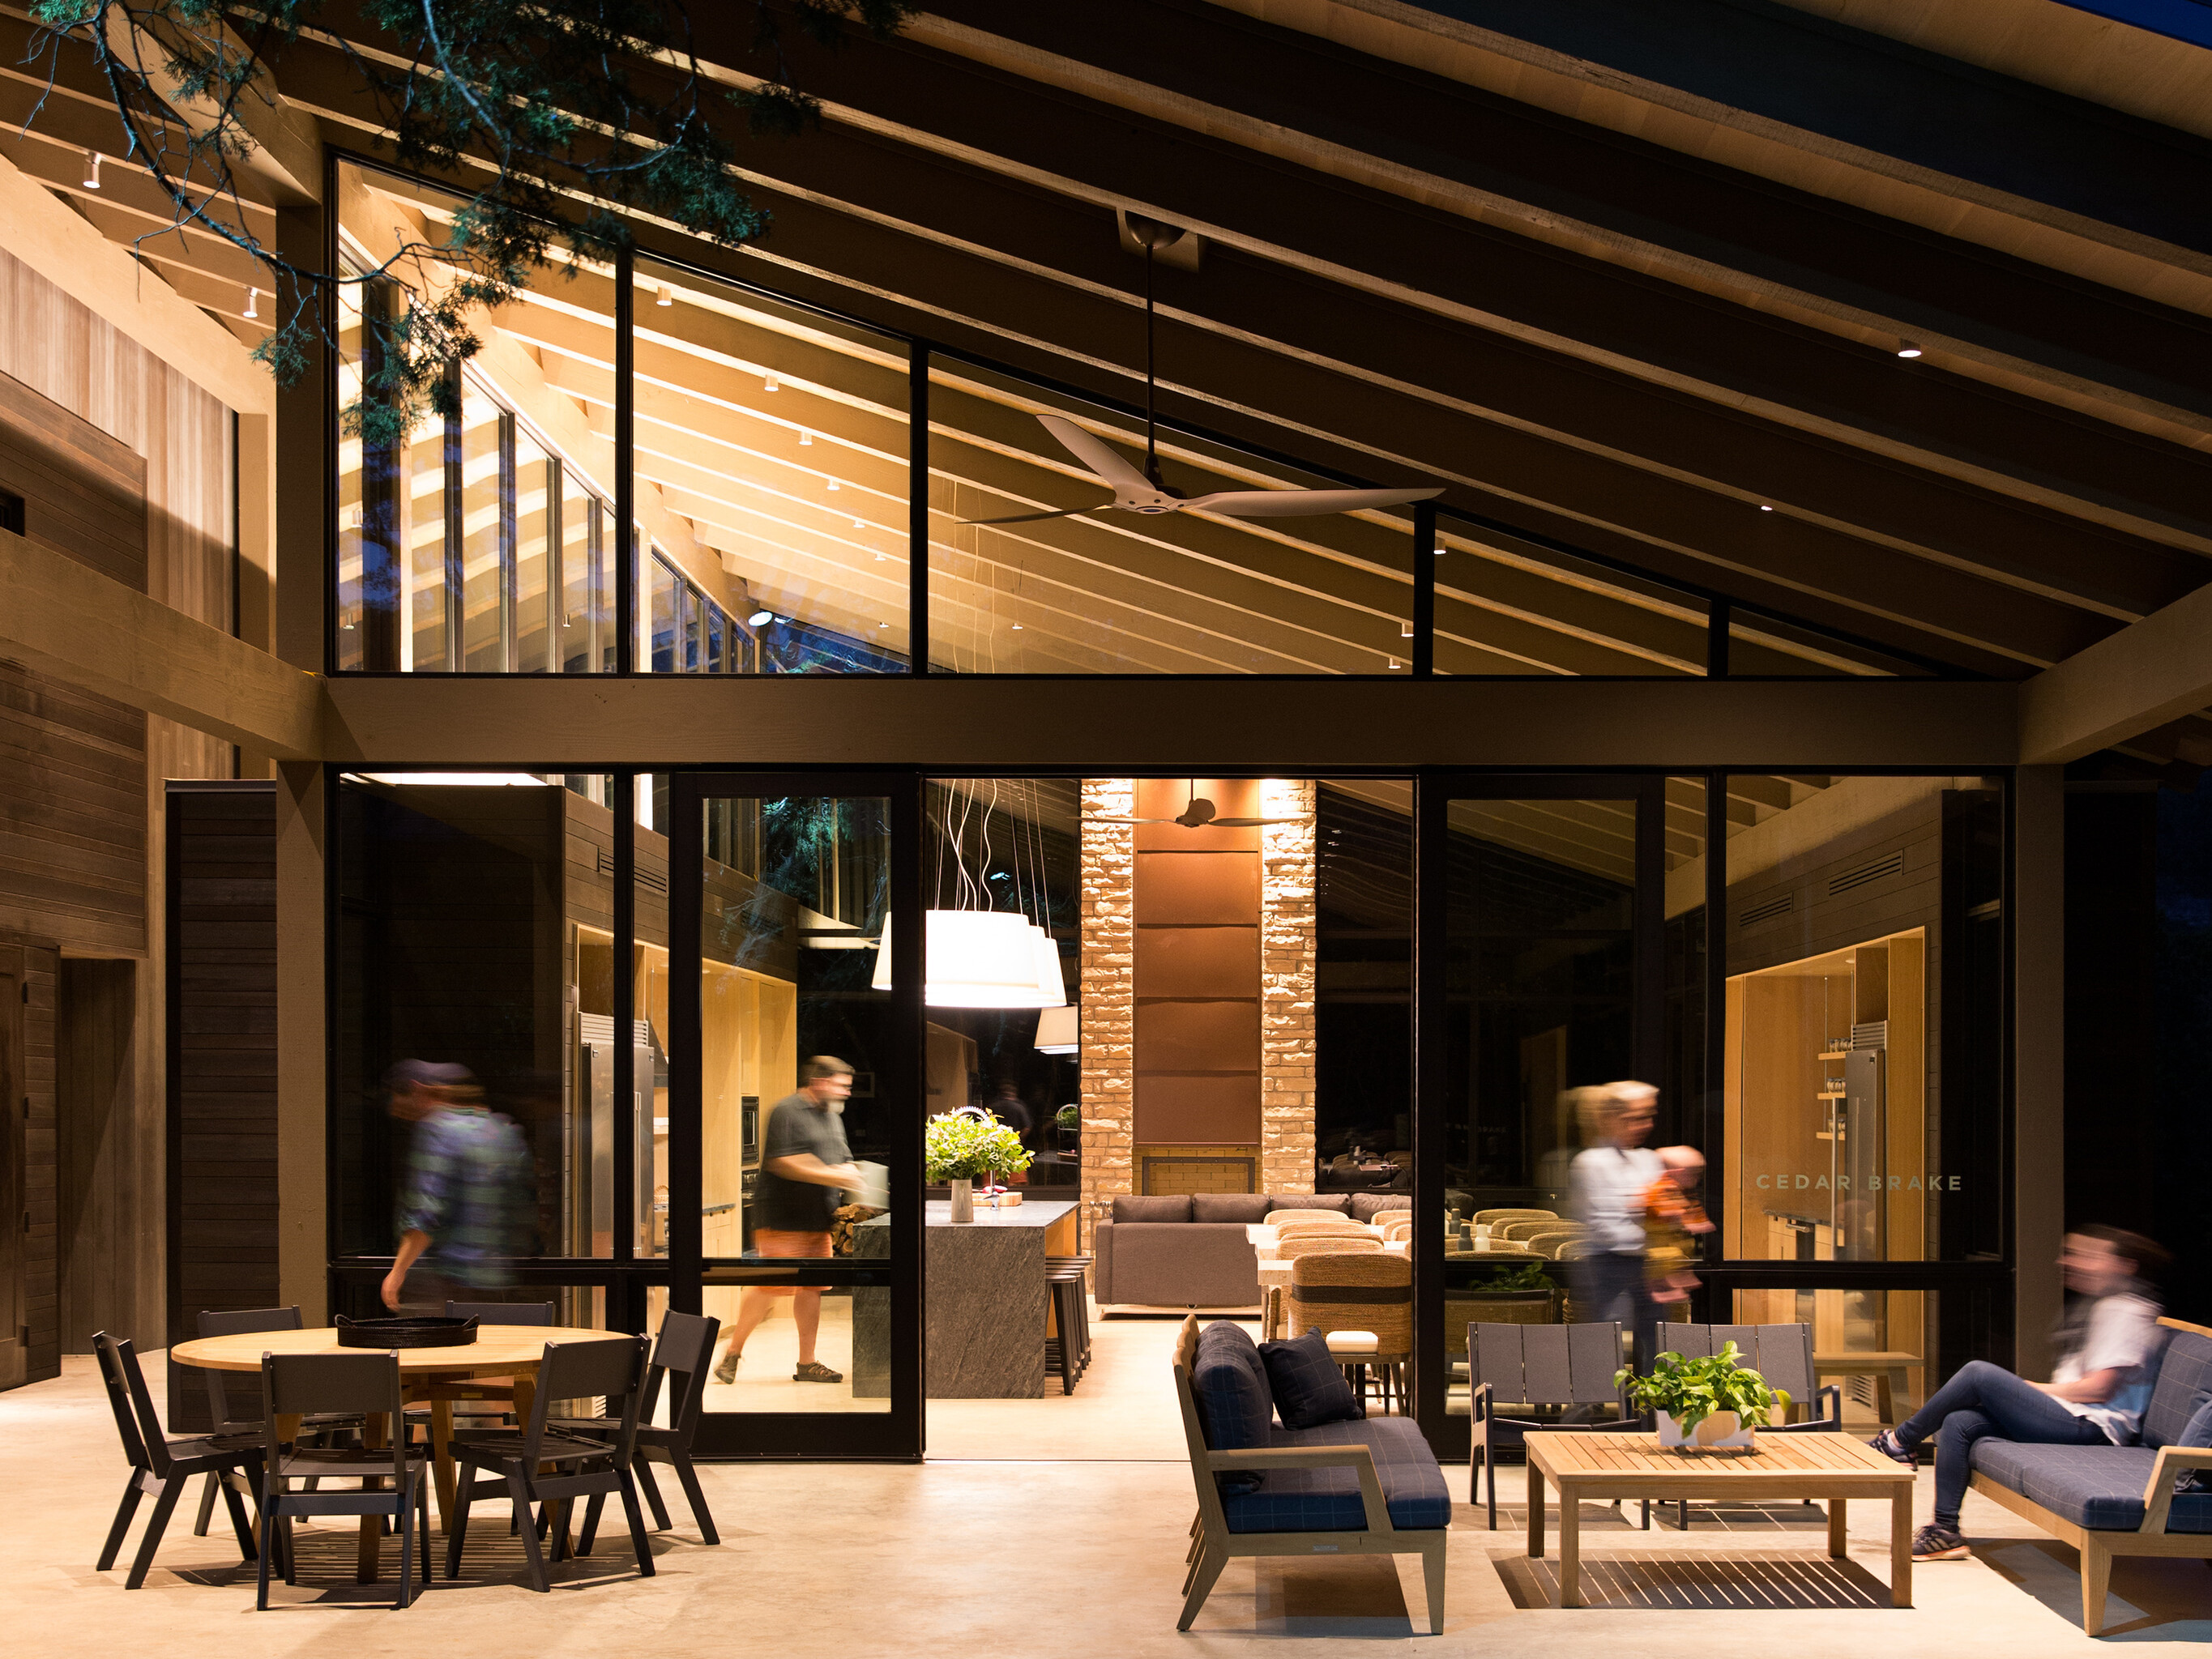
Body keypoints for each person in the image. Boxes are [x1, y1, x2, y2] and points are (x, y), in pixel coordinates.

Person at [1869, 1225, 2170, 1562]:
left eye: (2087, 1256)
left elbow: (2098, 1390)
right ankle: (1945, 1531)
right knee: (1960, 1421)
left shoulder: (2126, 1312)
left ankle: (1898, 1442)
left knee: (1978, 1373)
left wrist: (2026, 1389)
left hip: (2093, 1428)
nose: (2067, 1262)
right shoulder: (2102, 1308)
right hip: (2073, 1416)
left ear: (2124, 1266)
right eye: (2071, 1253)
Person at [713, 1056, 864, 1385]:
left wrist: (852, 1174)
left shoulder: (832, 1117)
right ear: (820, 1082)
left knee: (812, 1288)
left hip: (815, 1219)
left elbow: (842, 1159)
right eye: (842, 1085)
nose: (846, 1093)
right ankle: (733, 1353)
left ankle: (807, 1364)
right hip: (783, 1217)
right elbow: (784, 1163)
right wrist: (830, 1174)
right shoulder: (787, 1112)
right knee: (771, 1287)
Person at [380, 1060, 534, 1313]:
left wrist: (397, 1273)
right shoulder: (503, 1131)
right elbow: (523, 1205)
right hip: (494, 1281)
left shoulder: (437, 1131)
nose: (395, 1111)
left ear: (417, 1089)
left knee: (433, 1351)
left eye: (397, 1098)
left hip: (445, 1280)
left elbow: (426, 1212)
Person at [1565, 1081, 1664, 1368]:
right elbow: (1604, 1227)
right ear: (1609, 1119)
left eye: (1648, 1117)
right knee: (1602, 1348)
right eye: (1635, 1118)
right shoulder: (1591, 1163)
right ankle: (1589, 1411)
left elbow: (1658, 1213)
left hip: (1647, 1264)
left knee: (1655, 1347)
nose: (1645, 1125)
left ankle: (1649, 1411)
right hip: (1606, 1267)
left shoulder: (1650, 1160)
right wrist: (1647, 1227)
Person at [1642, 1145, 1715, 1306]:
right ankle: (1661, 1286)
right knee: (1668, 1255)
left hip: (1671, 1235)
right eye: (1693, 1173)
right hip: (1655, 1239)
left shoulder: (1681, 1191)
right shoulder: (1660, 1188)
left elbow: (1693, 1212)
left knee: (1683, 1247)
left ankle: (1677, 1276)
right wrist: (1677, 1215)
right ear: (1677, 1171)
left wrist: (1697, 1222)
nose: (1697, 1178)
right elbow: (1656, 1208)